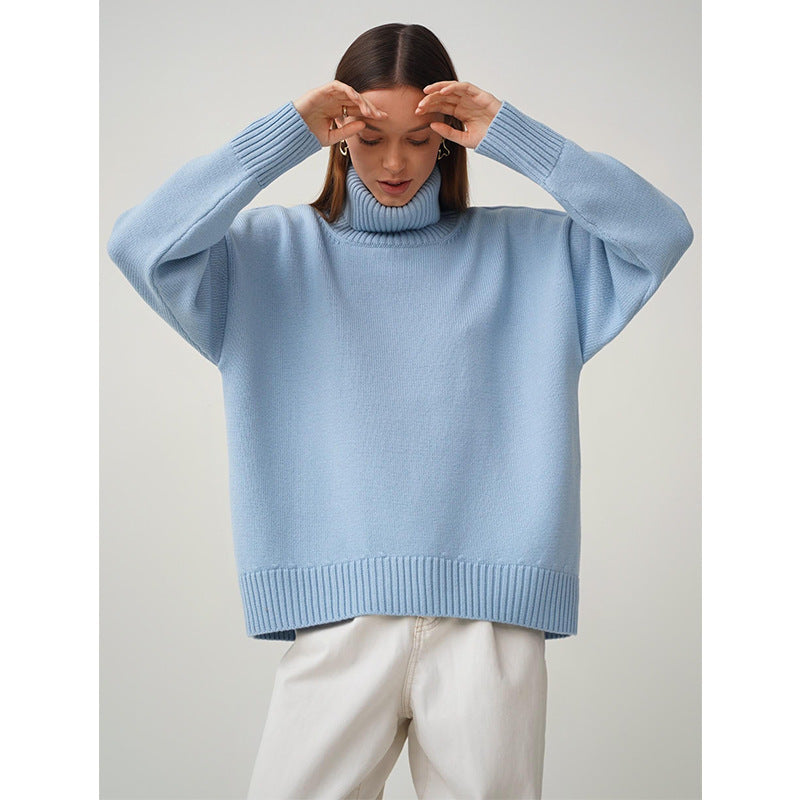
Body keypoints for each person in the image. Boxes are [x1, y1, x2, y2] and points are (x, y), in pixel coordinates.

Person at [106, 21, 693, 800]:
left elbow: (661, 233)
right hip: (337, 617)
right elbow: (140, 244)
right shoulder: (265, 257)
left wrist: (513, 134)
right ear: (337, 134)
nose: (394, 163)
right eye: (371, 137)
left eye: (420, 139)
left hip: (490, 622)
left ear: (449, 138)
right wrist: (284, 135)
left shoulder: (536, 257)